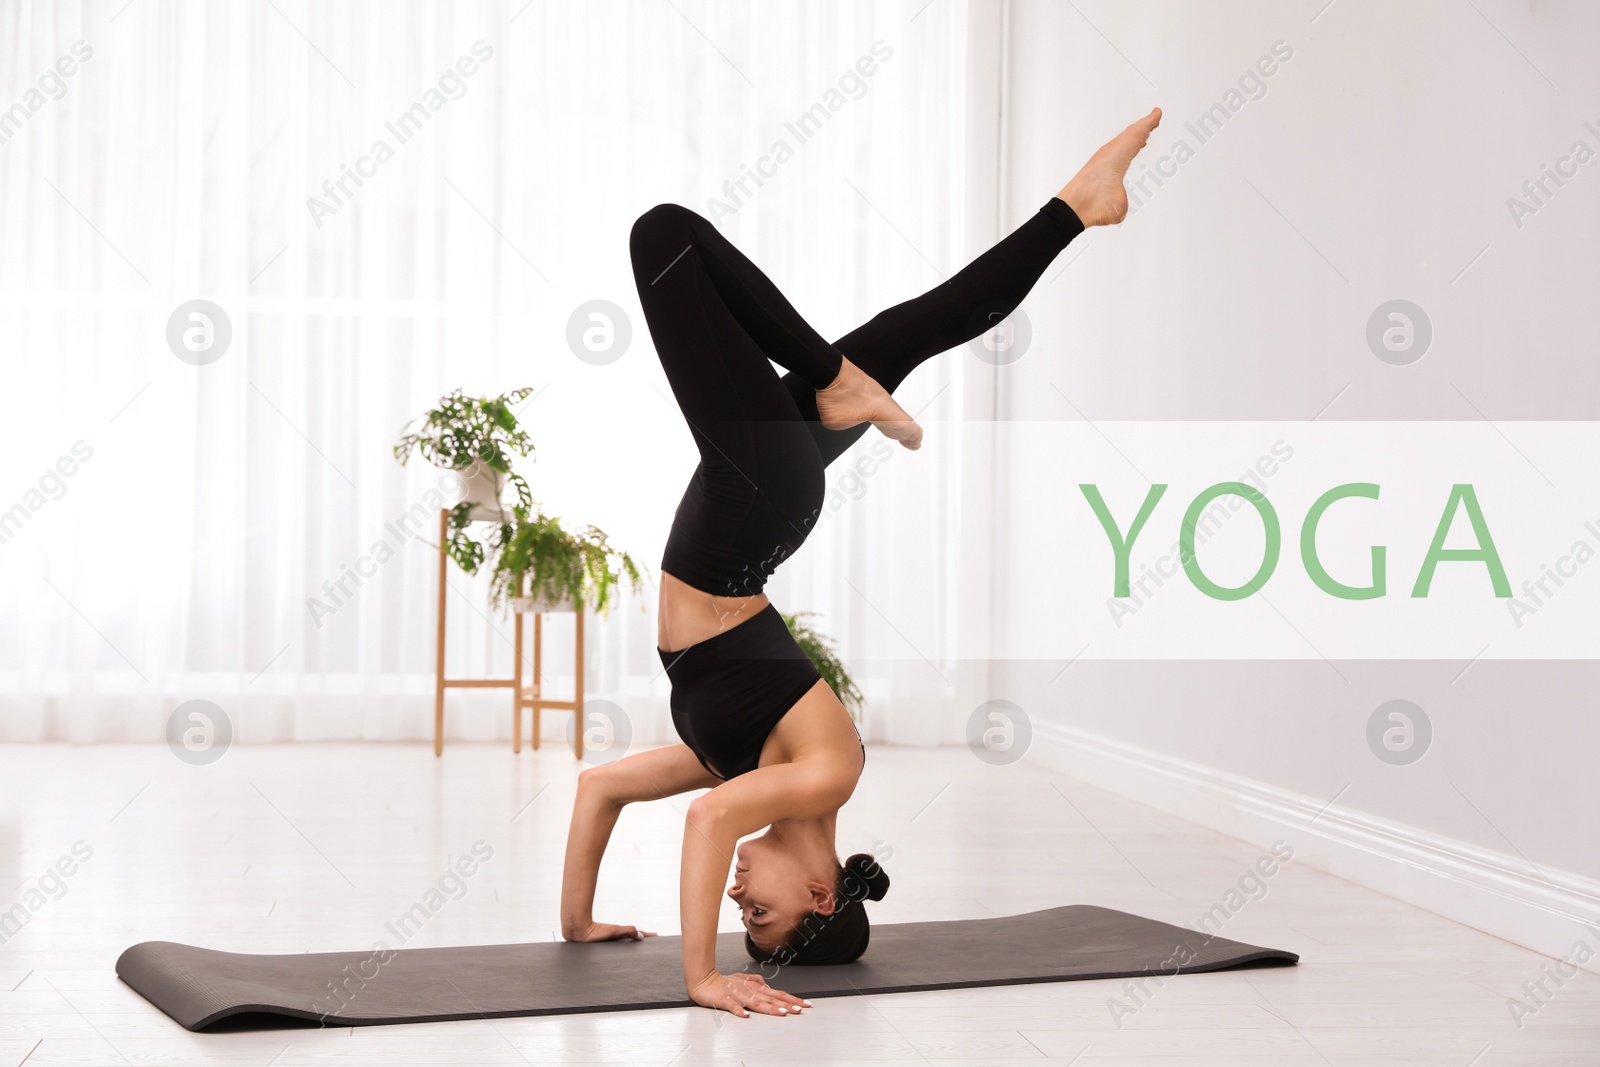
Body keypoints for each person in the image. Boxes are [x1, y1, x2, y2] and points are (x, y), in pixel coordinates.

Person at [559, 108, 1163, 1018]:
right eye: (758, 911)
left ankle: (1077, 207)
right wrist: (702, 977)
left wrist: (579, 922)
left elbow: (600, 786)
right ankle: (840, 378)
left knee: (906, 332)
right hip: (747, 507)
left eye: (737, 917)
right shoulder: (826, 775)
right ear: (821, 893)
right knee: (666, 236)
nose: (737, 899)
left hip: (759, 506)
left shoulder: (744, 766)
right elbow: (707, 823)